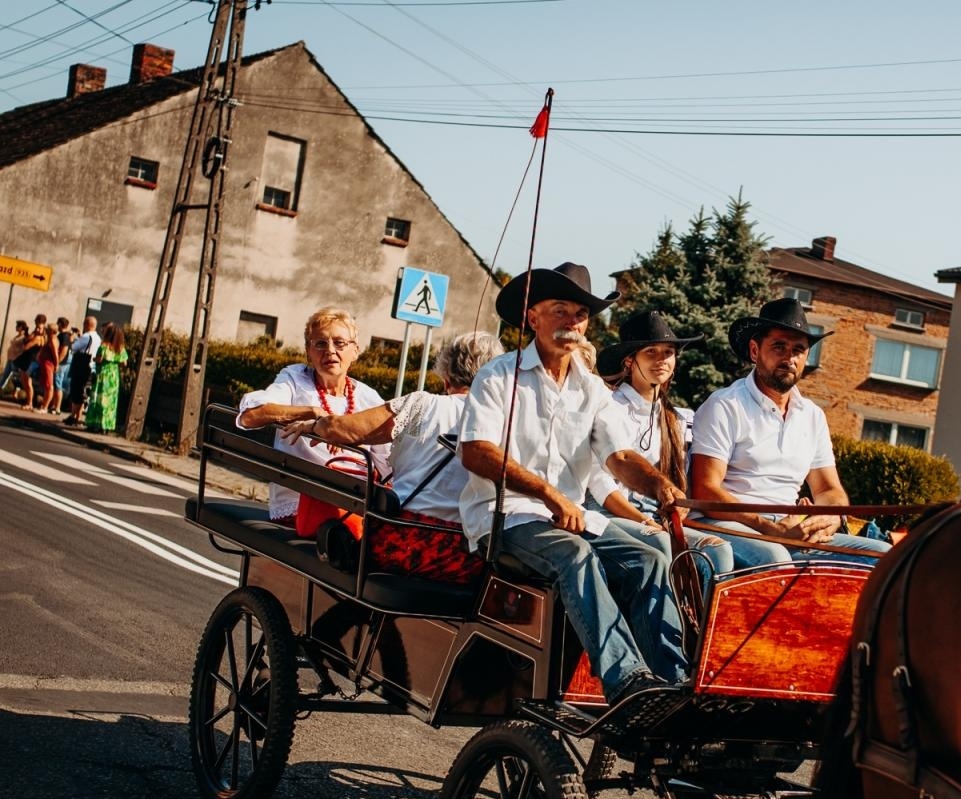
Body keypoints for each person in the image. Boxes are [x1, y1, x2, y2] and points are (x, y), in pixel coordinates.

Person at [458, 262, 689, 706]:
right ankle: (626, 681)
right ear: (533, 317)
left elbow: (620, 457)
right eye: (560, 310)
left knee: (650, 560)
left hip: (572, 518)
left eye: (580, 314)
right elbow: (476, 452)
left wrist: (660, 486)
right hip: (506, 518)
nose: (572, 322)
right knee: (576, 555)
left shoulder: (593, 389)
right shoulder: (499, 376)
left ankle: (671, 686)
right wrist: (549, 494)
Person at [269, 331, 503, 584]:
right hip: (467, 555)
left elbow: (345, 429)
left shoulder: (423, 405)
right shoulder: (506, 424)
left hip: (404, 542)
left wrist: (315, 425)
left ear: (446, 377)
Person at [690, 297, 886, 569]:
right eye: (779, 347)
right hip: (728, 523)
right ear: (755, 350)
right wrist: (770, 528)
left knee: (883, 556)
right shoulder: (725, 405)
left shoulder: (812, 415)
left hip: (790, 526)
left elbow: (828, 489)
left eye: (798, 350)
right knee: (775, 558)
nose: (789, 358)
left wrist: (830, 517)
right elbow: (705, 490)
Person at [593, 310, 734, 580]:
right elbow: (601, 485)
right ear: (630, 361)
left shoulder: (678, 419)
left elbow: (683, 481)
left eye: (668, 352)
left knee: (719, 551)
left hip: (661, 516)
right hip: (615, 513)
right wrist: (646, 521)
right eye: (651, 352)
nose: (661, 360)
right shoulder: (609, 408)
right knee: (663, 543)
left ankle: (700, 609)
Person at [237, 307, 390, 527]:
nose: (330, 351)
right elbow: (250, 415)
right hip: (304, 507)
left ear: (355, 351)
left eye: (339, 343)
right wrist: (313, 412)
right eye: (320, 343)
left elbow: (386, 462)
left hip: (358, 506)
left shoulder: (368, 397)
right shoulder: (295, 378)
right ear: (308, 351)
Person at [83, 322, 128, 433]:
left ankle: (94, 423)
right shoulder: (120, 348)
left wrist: (94, 359)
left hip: (102, 375)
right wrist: (115, 363)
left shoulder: (104, 346)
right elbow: (124, 363)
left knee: (97, 399)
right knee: (110, 402)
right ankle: (106, 425)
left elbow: (99, 359)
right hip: (114, 377)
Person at [63, 315, 100, 426]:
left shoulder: (86, 336)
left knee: (76, 391)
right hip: (91, 366)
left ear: (87, 325)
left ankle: (73, 416)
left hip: (81, 365)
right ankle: (77, 417)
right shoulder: (98, 338)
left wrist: (72, 339)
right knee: (83, 392)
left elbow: (74, 347)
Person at [32, 320, 61, 414]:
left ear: (53, 331)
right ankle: (43, 405)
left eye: (48, 329)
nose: (46, 330)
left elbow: (55, 354)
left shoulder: (53, 340)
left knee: (49, 386)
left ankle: (45, 407)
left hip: (49, 364)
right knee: (46, 386)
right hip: (45, 364)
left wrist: (56, 365)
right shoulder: (49, 338)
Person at [0, 321, 28, 397]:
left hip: (16, 359)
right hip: (10, 358)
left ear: (21, 328)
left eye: (18, 326)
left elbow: (24, 349)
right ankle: (1, 388)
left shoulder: (24, 338)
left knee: (15, 376)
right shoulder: (17, 336)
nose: (16, 327)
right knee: (5, 375)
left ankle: (16, 392)